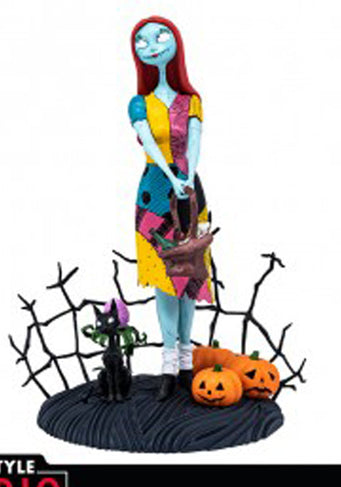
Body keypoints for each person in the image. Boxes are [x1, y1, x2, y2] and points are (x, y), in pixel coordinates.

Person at [128, 16, 213, 400]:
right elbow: (148, 143)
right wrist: (172, 176)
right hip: (154, 194)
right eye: (141, 41)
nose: (151, 45)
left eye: (160, 36)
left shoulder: (191, 101)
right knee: (164, 280)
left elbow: (194, 142)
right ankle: (167, 364)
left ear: (176, 43)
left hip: (191, 196)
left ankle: (185, 360)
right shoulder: (138, 103)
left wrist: (187, 177)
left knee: (190, 276)